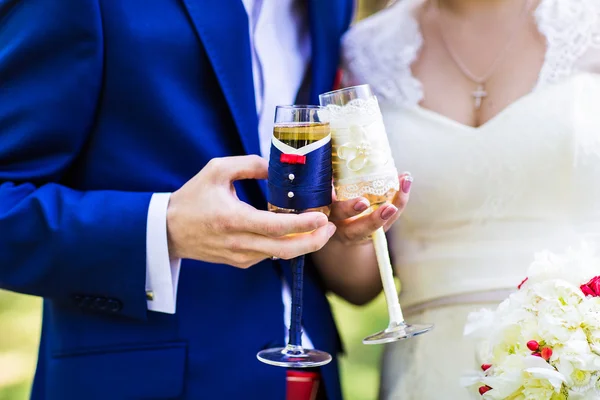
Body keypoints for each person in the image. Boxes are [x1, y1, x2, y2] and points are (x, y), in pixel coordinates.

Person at [0, 0, 413, 398]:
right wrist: (166, 228)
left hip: (311, 371)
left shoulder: (330, 6)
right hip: (146, 380)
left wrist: (337, 223)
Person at [340, 0, 600, 398]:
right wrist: (352, 233)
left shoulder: (591, 24)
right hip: (427, 370)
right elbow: (358, 285)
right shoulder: (365, 51)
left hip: (583, 361)